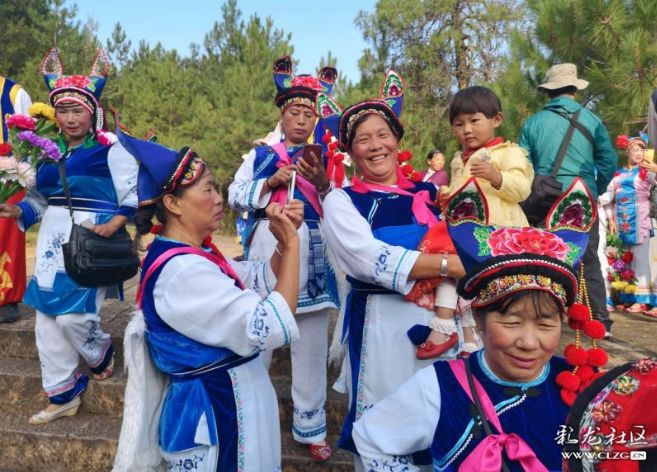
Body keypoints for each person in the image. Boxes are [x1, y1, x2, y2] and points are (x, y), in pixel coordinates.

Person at [352, 177, 603, 471]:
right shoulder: (441, 386)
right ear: (480, 320)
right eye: (511, 322)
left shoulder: (583, 386)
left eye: (545, 325)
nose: (528, 342)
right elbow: (371, 438)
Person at [112, 126, 303, 471]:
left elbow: (255, 279)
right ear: (172, 203)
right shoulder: (182, 272)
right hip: (216, 415)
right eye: (209, 189)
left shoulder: (194, 255)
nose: (219, 198)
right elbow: (269, 325)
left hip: (229, 402)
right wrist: (292, 247)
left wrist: (279, 242)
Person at [321, 70, 465, 471]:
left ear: (397, 139)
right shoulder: (342, 202)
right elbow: (367, 259)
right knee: (386, 428)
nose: (375, 146)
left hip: (440, 323)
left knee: (439, 419)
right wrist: (447, 265)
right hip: (381, 328)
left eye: (382, 135)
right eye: (362, 140)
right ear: (350, 151)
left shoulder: (431, 194)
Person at [0, 48, 137, 423]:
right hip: (51, 240)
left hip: (90, 239)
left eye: (78, 110)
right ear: (55, 113)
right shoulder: (49, 152)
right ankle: (62, 393)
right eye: (63, 111)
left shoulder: (109, 149)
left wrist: (114, 223)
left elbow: (132, 196)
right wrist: (19, 210)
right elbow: (42, 201)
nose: (71, 118)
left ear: (92, 111)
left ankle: (100, 353)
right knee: (45, 317)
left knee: (72, 317)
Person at [227, 55, 339, 461]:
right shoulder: (261, 155)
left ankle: (311, 427)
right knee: (260, 334)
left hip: (312, 248)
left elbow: (340, 202)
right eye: (294, 112)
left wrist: (323, 183)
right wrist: (268, 182)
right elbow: (233, 194)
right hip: (267, 243)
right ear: (282, 113)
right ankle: (250, 414)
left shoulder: (327, 157)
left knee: (309, 339)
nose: (302, 121)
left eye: (309, 115)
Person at [519, 63, 618, 337]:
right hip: (581, 193)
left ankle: (544, 314)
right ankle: (598, 320)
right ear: (574, 89)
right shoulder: (592, 120)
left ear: (548, 92)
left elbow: (522, 163)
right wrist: (593, 187)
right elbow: (608, 162)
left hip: (544, 193)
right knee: (587, 256)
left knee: (543, 252)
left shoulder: (533, 122)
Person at [436, 85, 533, 354]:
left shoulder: (508, 153)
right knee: (469, 289)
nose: (466, 129)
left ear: (496, 119)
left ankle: (505, 345)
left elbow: (522, 189)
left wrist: (496, 176)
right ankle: (470, 341)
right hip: (467, 237)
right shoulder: (458, 160)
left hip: (503, 235)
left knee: (502, 294)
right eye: (459, 124)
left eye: (474, 120)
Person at [605, 133, 657, 316]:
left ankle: (642, 301)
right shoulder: (618, 174)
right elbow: (610, 197)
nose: (639, 153)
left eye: (643, 149)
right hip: (621, 220)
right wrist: (611, 219)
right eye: (635, 149)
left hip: (640, 218)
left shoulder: (647, 171)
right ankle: (628, 297)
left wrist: (655, 169)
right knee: (625, 259)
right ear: (627, 151)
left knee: (641, 260)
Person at [0, 74, 32, 322]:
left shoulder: (12, 93)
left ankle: (6, 299)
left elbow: (28, 139)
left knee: (6, 234)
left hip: (6, 172)